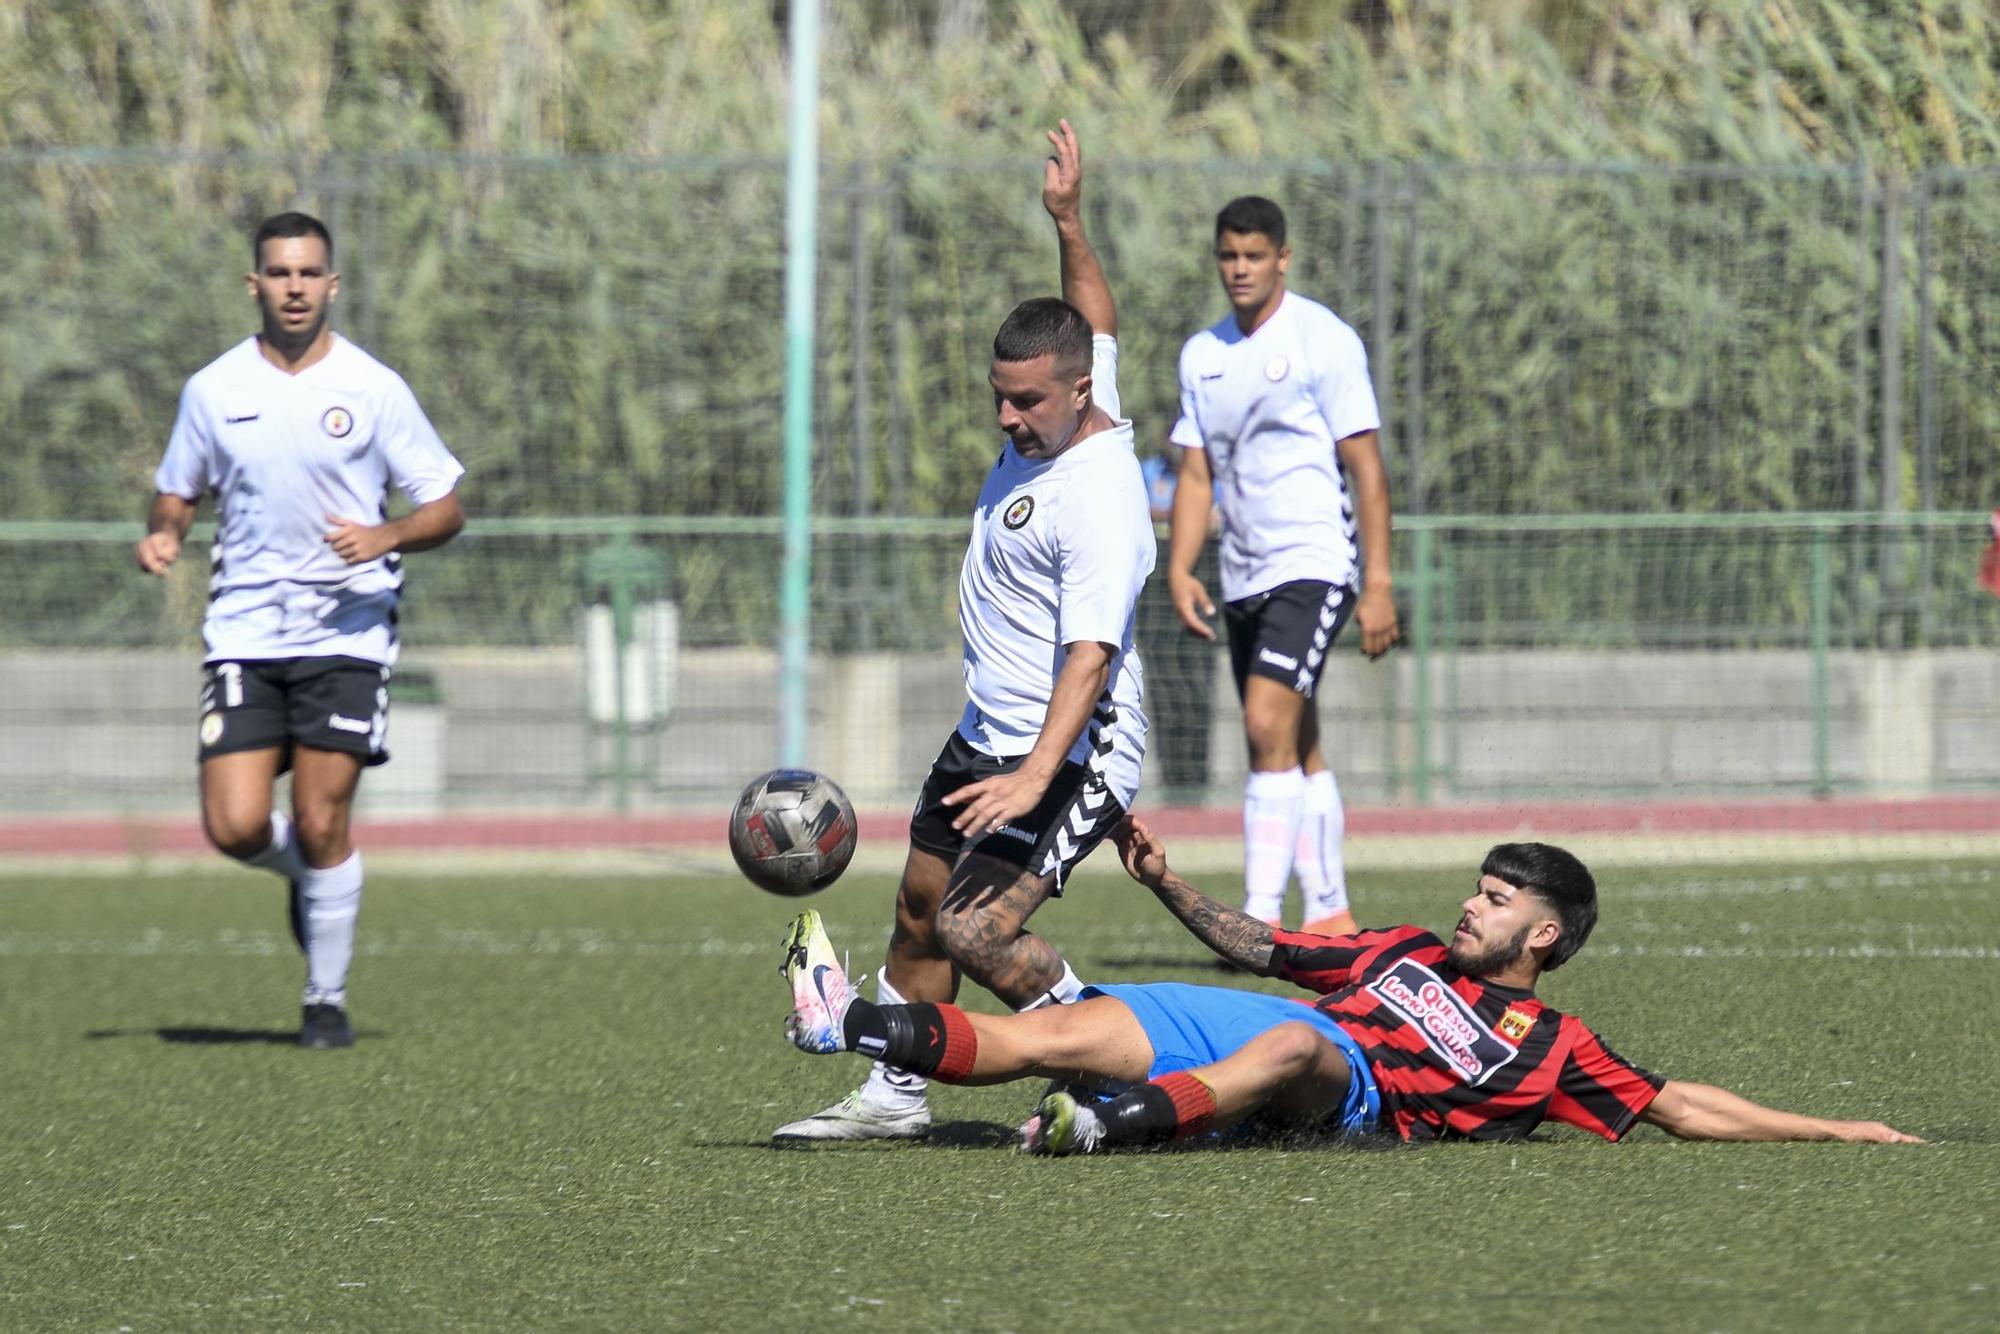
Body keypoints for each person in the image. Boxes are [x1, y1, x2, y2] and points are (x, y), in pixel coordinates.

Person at [772, 121, 1155, 1141]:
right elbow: (1092, 316)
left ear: (1075, 392)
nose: (1005, 416)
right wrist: (1069, 222)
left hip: (1074, 745)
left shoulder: (1102, 497)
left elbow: (1092, 655)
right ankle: (894, 1095)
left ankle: (1119, 1071)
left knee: (975, 928)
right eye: (997, 394)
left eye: (1025, 400)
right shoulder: (1081, 395)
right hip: (991, 728)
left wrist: (1036, 775)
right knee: (915, 908)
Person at [778, 818, 1922, 1153]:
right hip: (1269, 1018)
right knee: (1066, 1028)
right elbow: (1263, 948)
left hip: (1350, 1088)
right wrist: (1169, 882)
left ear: (1547, 929)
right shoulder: (1399, 949)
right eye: (1474, 888)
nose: (1470, 905)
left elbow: (1678, 1103)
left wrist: (1835, 1128)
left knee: (1291, 1054)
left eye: (1493, 897)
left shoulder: (1552, 1040)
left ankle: (1110, 1129)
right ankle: (853, 1024)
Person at [135, 211, 466, 1049]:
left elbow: (446, 505)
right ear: (255, 284)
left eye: (308, 273)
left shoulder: (373, 388)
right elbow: (179, 487)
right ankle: (310, 879)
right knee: (237, 827)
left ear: (332, 285)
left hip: (346, 632)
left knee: (324, 821)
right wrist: (168, 529)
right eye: (278, 273)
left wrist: (385, 536)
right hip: (244, 630)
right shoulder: (214, 390)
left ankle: (325, 999)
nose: (293, 287)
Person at [1166, 196, 1399, 939]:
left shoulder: (1321, 339)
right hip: (1242, 572)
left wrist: (1380, 583)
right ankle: (1329, 912)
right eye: (1228, 256)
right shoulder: (1202, 355)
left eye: (1255, 255)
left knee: (1265, 726)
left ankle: (1258, 924)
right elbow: (1197, 476)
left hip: (1312, 562)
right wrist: (1180, 567)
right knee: (1293, 741)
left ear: (1283, 259)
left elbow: (1366, 469)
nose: (1240, 269)